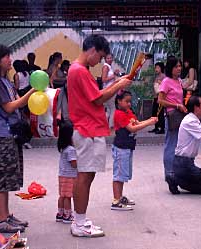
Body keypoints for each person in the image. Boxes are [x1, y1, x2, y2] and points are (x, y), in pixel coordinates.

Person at [68, 34, 131, 237]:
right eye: (100, 56)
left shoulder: (78, 70)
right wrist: (118, 85)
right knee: (85, 176)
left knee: (87, 175)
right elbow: (97, 100)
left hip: (88, 128)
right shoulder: (80, 71)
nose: (100, 62)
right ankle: (79, 222)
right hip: (87, 129)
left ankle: (80, 219)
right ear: (93, 50)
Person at [0, 43, 36, 233]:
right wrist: (31, 91)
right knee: (3, 175)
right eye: (6, 56)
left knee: (8, 175)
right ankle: (1, 220)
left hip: (10, 133)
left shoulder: (3, 80)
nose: (10, 59)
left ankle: (6, 216)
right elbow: (9, 107)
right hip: (3, 133)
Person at [111, 90, 157, 210]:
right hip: (121, 147)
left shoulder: (128, 112)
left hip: (128, 146)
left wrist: (149, 120)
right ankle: (116, 201)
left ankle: (120, 197)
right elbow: (132, 128)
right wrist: (149, 123)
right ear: (119, 101)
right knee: (119, 175)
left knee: (123, 174)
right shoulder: (119, 114)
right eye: (126, 101)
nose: (129, 104)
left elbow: (137, 123)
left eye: (130, 101)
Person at [157, 56, 187, 194]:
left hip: (180, 114)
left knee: (177, 145)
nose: (179, 69)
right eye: (176, 66)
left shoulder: (179, 81)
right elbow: (160, 101)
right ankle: (169, 174)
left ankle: (176, 174)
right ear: (171, 68)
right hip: (172, 115)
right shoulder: (166, 81)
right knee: (171, 144)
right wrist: (176, 105)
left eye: (180, 66)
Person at [55, 121, 77, 224]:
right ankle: (67, 215)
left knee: (62, 195)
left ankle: (60, 213)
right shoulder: (71, 150)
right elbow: (73, 163)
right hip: (70, 176)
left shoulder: (63, 148)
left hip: (62, 175)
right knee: (68, 196)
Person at [101, 53, 120, 131]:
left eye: (111, 58)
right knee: (112, 109)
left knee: (108, 109)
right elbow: (104, 79)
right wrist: (114, 75)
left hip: (110, 89)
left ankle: (104, 125)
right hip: (109, 89)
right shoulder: (106, 67)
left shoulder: (109, 67)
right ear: (105, 59)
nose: (109, 59)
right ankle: (111, 126)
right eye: (108, 58)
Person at [149, 62, 165, 134]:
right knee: (154, 112)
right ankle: (156, 127)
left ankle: (162, 128)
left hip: (160, 97)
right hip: (156, 96)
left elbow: (164, 86)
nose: (156, 69)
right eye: (155, 68)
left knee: (160, 113)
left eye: (158, 68)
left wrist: (160, 82)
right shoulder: (156, 76)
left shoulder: (163, 76)